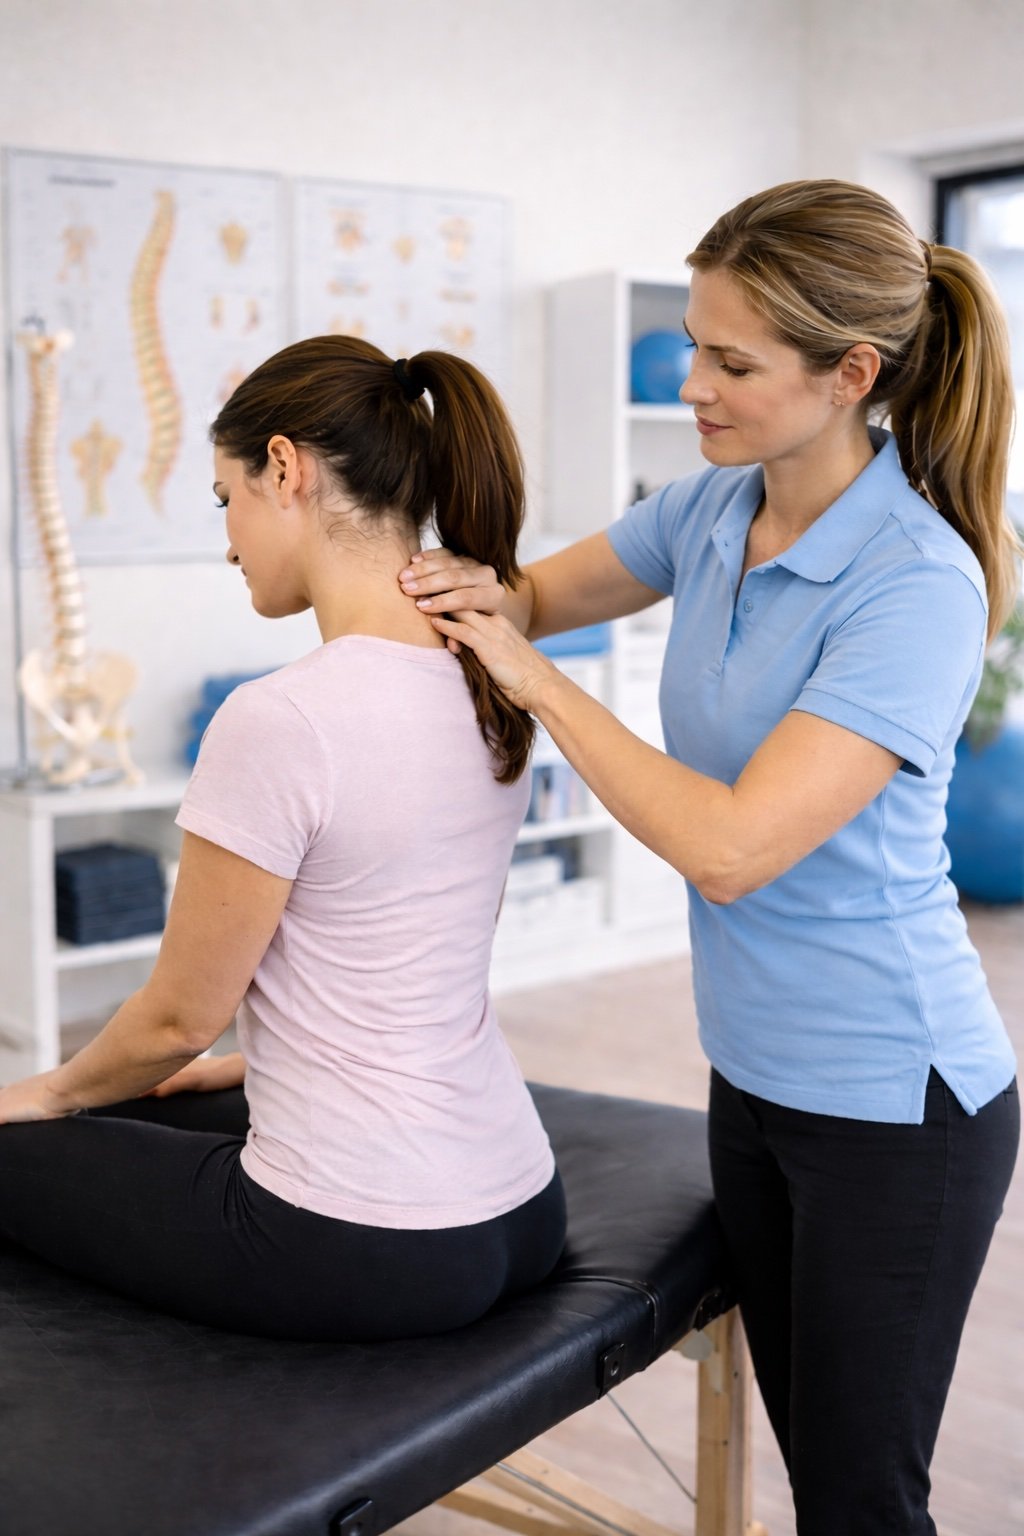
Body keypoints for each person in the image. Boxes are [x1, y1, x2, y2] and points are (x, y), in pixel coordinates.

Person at [397, 180, 1021, 1535]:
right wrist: (401, 563)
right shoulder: (711, 511)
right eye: (692, 343)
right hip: (753, 1079)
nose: (693, 385)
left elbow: (734, 850)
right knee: (817, 1474)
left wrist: (538, 681)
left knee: (864, 1499)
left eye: (731, 361)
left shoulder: (918, 583)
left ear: (851, 373)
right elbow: (529, 596)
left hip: (898, 1106)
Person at [0, 336, 566, 1342]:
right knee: (151, 1099)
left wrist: (41, 1090)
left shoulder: (282, 719)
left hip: (359, 1239)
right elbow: (379, 954)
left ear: (285, 469)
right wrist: (256, 1061)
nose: (227, 541)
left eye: (226, 499)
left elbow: (177, 1019)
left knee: (31, 1131)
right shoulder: (494, 684)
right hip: (520, 1205)